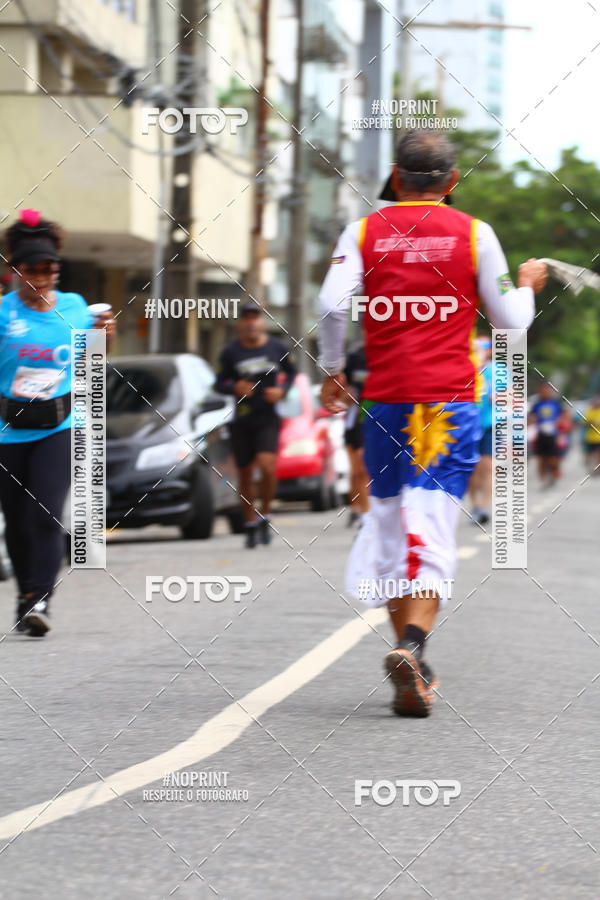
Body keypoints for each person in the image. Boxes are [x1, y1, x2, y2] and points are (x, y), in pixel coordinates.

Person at [318, 130, 547, 717]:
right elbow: (510, 322)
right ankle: (413, 647)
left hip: (385, 403)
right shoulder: (475, 234)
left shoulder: (362, 232)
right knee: (431, 523)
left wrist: (334, 370)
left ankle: (412, 656)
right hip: (448, 405)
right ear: (452, 181)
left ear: (396, 177)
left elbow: (331, 306)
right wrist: (525, 287)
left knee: (393, 522)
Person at [0, 209, 115, 636]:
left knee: (45, 515)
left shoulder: (75, 307)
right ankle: (26, 594)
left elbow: (93, 359)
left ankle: (41, 599)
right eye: (32, 270)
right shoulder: (3, 313)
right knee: (16, 522)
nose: (41, 278)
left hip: (58, 427)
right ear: (16, 271)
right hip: (8, 429)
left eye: (49, 269)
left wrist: (106, 337)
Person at [215, 303, 297, 548]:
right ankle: (250, 523)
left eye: (255, 318)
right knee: (246, 473)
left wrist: (282, 390)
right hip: (242, 418)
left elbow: (292, 373)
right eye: (246, 318)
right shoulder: (230, 352)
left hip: (267, 417)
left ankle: (266, 513)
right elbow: (218, 383)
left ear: (262, 322)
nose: (251, 322)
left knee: (267, 465)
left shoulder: (277, 347)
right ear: (240, 324)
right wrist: (234, 387)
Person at [343, 342, 369, 527]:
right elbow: (340, 388)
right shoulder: (354, 357)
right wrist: (345, 395)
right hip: (356, 418)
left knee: (367, 468)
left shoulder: (389, 352)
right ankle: (361, 511)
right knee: (359, 468)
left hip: (381, 415)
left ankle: (367, 511)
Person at [468, 336, 493, 525]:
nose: (480, 350)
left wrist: (501, 396)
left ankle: (484, 508)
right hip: (468, 426)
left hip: (490, 425)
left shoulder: (498, 371)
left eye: (484, 347)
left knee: (487, 466)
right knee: (472, 469)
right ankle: (475, 505)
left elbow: (511, 395)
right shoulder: (467, 368)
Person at [531, 382, 562, 486]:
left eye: (547, 390)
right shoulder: (537, 404)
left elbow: (564, 416)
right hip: (540, 434)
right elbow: (531, 417)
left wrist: (560, 426)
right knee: (541, 458)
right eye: (543, 390)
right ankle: (543, 479)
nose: (545, 392)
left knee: (553, 458)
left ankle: (554, 471)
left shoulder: (556, 404)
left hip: (553, 435)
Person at [582, 396, 600, 474]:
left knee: (598, 453)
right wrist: (592, 422)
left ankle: (597, 468)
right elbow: (584, 421)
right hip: (589, 437)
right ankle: (592, 466)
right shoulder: (589, 411)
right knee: (590, 453)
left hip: (598, 438)